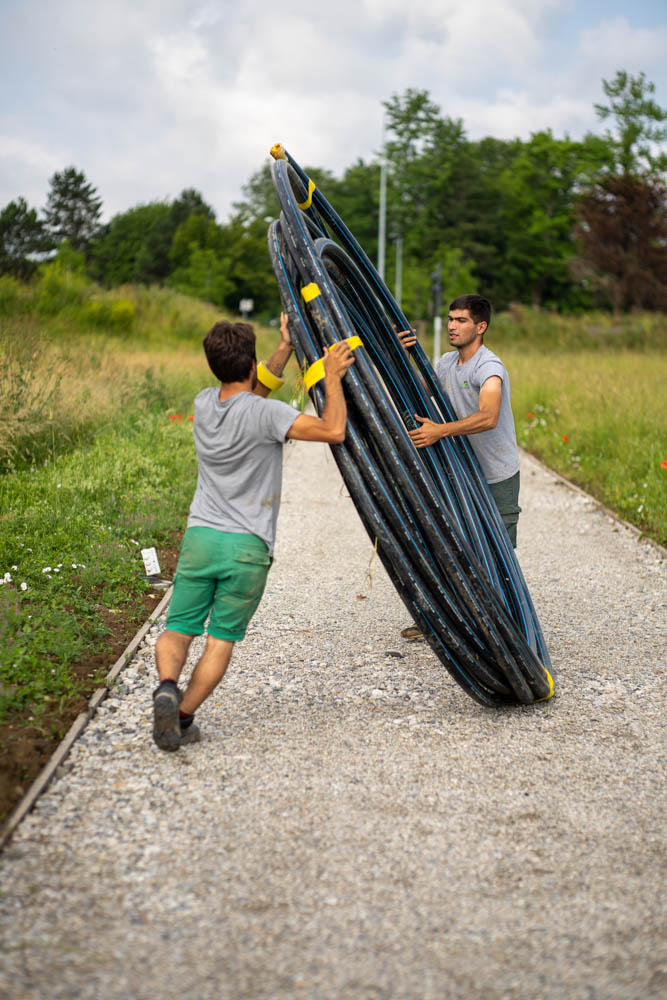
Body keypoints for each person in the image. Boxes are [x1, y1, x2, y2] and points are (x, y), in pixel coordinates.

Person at [152, 312, 354, 750]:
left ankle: (167, 686)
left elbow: (251, 394)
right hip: (247, 548)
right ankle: (183, 717)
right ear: (250, 362)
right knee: (220, 641)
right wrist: (333, 377)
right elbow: (334, 430)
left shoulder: (205, 403)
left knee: (179, 628)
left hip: (201, 540)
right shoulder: (268, 415)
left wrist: (283, 351)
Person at [398, 293, 521, 638]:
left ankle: (505, 633)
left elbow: (488, 416)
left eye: (461, 320)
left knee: (497, 555)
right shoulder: (446, 364)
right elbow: (416, 392)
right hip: (462, 473)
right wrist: (404, 356)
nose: (453, 326)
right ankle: (447, 621)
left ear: (481, 327)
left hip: (497, 475)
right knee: (450, 543)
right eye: (451, 319)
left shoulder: (489, 368)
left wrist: (440, 431)